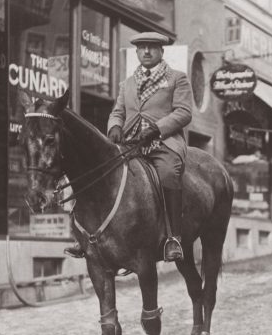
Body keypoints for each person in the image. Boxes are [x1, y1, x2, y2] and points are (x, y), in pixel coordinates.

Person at [65, 31, 192, 262]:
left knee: (167, 174)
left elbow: (184, 113)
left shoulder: (176, 78)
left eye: (152, 47)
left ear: (161, 51)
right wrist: (114, 126)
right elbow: (118, 112)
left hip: (163, 143)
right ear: (136, 51)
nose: (146, 51)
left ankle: (174, 237)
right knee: (95, 175)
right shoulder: (128, 83)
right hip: (130, 144)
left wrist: (157, 128)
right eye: (142, 47)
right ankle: (82, 236)